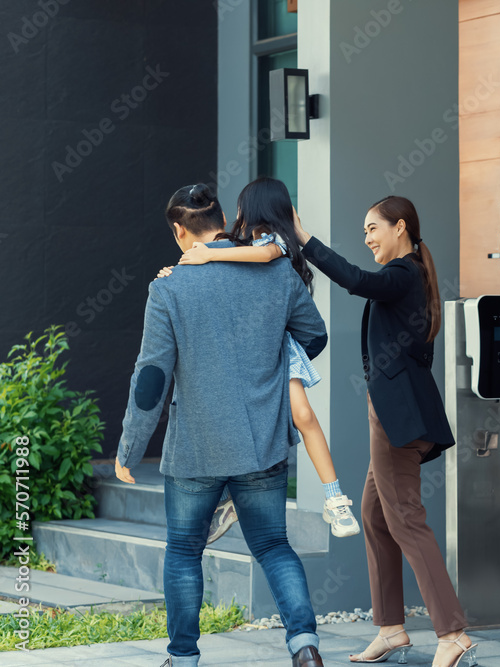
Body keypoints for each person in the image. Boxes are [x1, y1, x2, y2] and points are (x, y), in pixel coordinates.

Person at [116, 183, 328, 667]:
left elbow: (151, 379)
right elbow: (314, 336)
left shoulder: (169, 286)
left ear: (179, 230)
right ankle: (305, 647)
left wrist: (129, 449)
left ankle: (184, 659)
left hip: (196, 448)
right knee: (274, 546)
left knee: (185, 551)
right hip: (263, 443)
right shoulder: (274, 271)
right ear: (221, 219)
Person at [295, 196, 477, 667]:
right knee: (376, 516)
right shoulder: (413, 275)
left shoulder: (403, 273)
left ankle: (452, 632)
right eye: (363, 232)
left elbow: (357, 282)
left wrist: (303, 239)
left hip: (395, 418)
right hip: (397, 412)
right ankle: (392, 629)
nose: (368, 237)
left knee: (404, 519)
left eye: (373, 228)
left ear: (400, 227)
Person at [158, 176, 359, 542]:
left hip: (280, 347)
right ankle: (238, 498)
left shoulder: (273, 243)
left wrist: (207, 254)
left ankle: (335, 499)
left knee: (303, 416)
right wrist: (177, 271)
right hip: (268, 349)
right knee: (291, 417)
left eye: (241, 208)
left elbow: (263, 255)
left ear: (254, 211)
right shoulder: (241, 245)